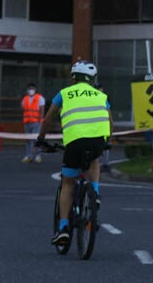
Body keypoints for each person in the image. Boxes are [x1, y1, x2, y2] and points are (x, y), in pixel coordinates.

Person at [37, 61, 112, 245]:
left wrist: (40, 140)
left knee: (68, 183)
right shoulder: (101, 95)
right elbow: (109, 121)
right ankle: (94, 194)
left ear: (73, 78)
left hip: (74, 141)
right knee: (94, 159)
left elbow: (47, 119)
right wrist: (108, 142)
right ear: (92, 80)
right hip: (97, 141)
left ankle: (63, 228)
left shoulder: (64, 93)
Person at [21, 83, 45, 163]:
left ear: (35, 89)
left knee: (36, 140)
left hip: (36, 122)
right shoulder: (25, 99)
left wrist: (40, 120)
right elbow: (23, 108)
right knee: (28, 140)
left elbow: (42, 109)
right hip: (27, 122)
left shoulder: (40, 98)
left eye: (32, 88)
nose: (30, 90)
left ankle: (38, 156)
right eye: (29, 89)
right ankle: (28, 156)